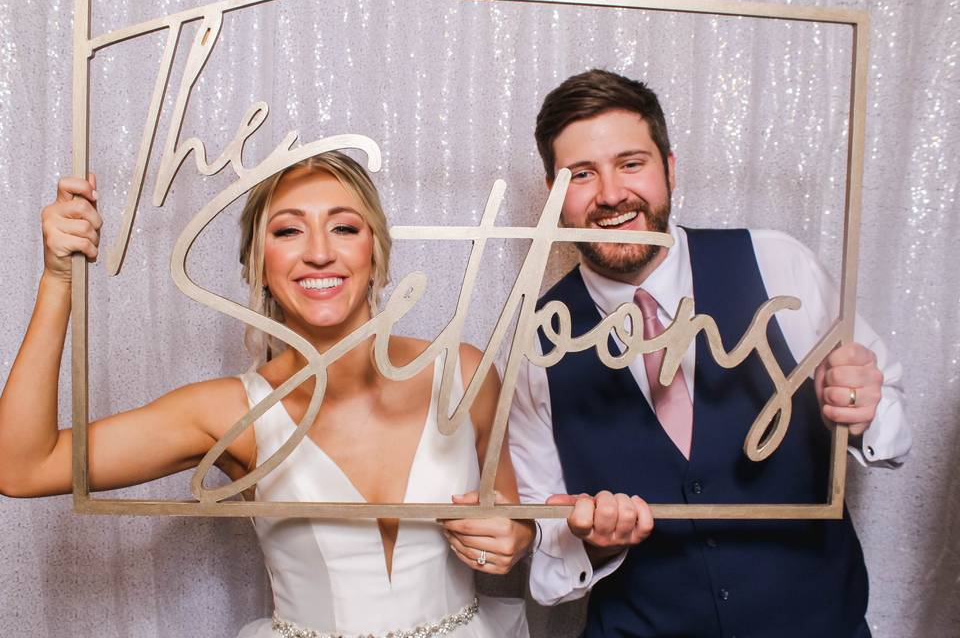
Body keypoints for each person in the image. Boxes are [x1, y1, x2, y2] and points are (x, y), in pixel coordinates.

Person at [0, 152, 533, 637]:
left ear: (377, 251)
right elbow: (23, 467)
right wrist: (56, 281)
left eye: (344, 227)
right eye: (288, 232)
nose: (319, 253)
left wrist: (518, 536)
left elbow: (513, 515)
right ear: (258, 265)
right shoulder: (233, 413)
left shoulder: (464, 372)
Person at [508, 70, 911, 637]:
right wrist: (589, 543)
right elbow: (546, 544)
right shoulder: (536, 334)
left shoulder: (779, 264)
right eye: (581, 174)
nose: (611, 194)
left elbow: (890, 426)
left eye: (631, 163)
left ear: (669, 168)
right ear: (552, 194)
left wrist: (865, 408)